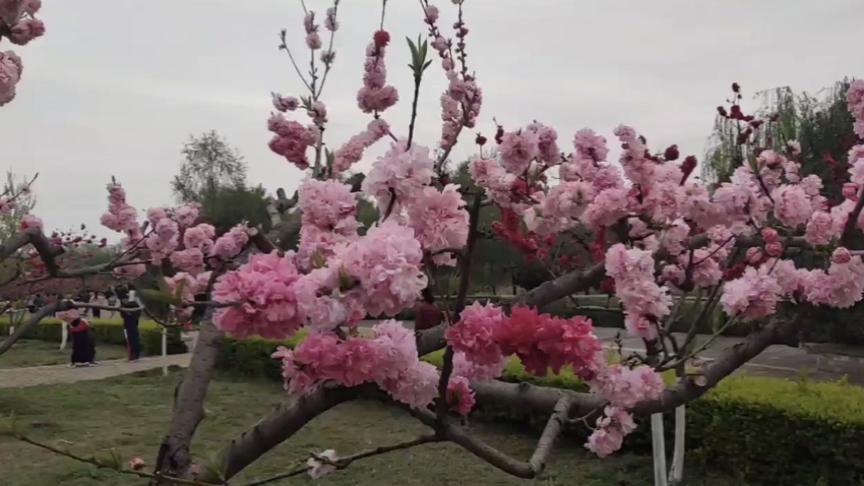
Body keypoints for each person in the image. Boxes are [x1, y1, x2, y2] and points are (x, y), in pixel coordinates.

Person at [120, 289, 143, 361]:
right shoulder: (137, 305)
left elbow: (123, 314)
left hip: (128, 326)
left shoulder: (126, 306)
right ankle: (136, 355)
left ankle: (132, 356)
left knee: (130, 341)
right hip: (134, 325)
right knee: (135, 339)